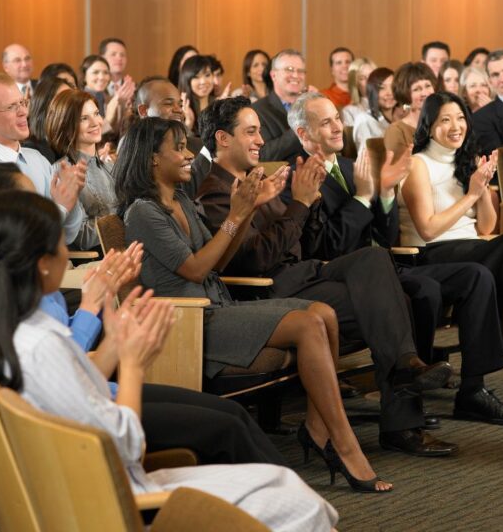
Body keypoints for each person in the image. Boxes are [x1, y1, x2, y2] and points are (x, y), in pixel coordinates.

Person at [0, 191, 339, 530]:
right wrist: (131, 365)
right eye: (60, 246)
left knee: (284, 484)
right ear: (41, 265)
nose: (67, 254)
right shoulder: (42, 344)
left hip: (88, 489)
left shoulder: (19, 331)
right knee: (300, 503)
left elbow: (79, 395)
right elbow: (126, 444)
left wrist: (115, 339)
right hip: (115, 502)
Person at [117, 116, 392, 493]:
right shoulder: (143, 212)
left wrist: (244, 213)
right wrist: (234, 215)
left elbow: (221, 262)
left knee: (324, 313)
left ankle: (318, 430)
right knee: (309, 323)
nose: (187, 156)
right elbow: (196, 270)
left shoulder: (180, 198)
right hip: (189, 323)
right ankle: (345, 446)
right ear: (151, 159)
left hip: (216, 307)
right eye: (178, 148)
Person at [197, 96, 462, 454]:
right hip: (269, 293)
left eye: (260, 131)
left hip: (304, 274)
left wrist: (312, 202)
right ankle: (403, 416)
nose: (261, 140)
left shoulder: (258, 180)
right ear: (223, 139)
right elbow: (256, 260)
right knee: (398, 300)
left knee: (372, 258)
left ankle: (406, 368)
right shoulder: (215, 190)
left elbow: (306, 242)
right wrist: (300, 204)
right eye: (251, 132)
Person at [285, 92, 503, 429]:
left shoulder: (347, 166)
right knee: (425, 289)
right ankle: (414, 386)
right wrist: (362, 196)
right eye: (325, 122)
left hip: (384, 261)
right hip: (347, 275)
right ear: (303, 134)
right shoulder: (296, 176)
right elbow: (328, 246)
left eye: (337, 118)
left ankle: (474, 389)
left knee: (477, 276)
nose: (337, 127)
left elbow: (383, 235)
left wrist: (384, 195)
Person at [398, 91, 503, 414]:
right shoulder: (418, 164)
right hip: (431, 253)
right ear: (429, 126)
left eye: (460, 119)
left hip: (469, 249)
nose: (455, 126)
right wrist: (471, 195)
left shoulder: (464, 160)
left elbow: (486, 226)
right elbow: (428, 229)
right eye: (445, 120)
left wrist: (482, 189)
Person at [0, 72, 86, 243]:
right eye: (11, 107)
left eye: (22, 102)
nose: (23, 112)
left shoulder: (37, 159)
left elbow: (68, 236)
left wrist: (70, 196)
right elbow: (19, 240)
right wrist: (62, 207)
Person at [46, 89, 118, 250]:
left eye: (97, 114)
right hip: (93, 263)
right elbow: (82, 237)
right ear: (66, 126)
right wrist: (124, 218)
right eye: (84, 118)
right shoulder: (61, 171)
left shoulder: (110, 167)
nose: (95, 122)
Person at [255, 50, 308, 164]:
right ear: (273, 75)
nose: (295, 75)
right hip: (282, 178)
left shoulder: (311, 105)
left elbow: (338, 143)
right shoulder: (257, 110)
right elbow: (262, 154)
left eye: (301, 71)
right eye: (289, 69)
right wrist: (301, 129)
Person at [384, 62, 436, 161]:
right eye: (417, 89)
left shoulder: (441, 123)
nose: (425, 93)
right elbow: (397, 170)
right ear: (405, 95)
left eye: (428, 86)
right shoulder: (396, 131)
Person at [23, 76, 74, 162]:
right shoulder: (32, 150)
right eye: (62, 99)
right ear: (44, 105)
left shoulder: (71, 143)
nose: (70, 105)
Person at [81, 53, 131, 133]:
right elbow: (88, 134)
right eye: (95, 72)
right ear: (84, 76)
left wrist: (124, 107)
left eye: (105, 73)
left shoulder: (110, 99)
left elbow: (119, 132)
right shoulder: (78, 101)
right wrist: (108, 119)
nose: (101, 77)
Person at [352, 67, 396, 153]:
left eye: (393, 87)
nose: (389, 93)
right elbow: (365, 159)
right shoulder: (364, 119)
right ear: (372, 91)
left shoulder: (404, 116)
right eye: (382, 88)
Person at [178, 54, 215, 134]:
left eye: (207, 75)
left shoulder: (217, 104)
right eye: (196, 77)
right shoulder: (180, 109)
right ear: (187, 80)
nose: (203, 82)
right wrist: (189, 123)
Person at [340, 57, 377, 125]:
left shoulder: (389, 105)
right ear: (355, 83)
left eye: (372, 76)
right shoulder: (349, 111)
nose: (369, 81)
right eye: (362, 78)